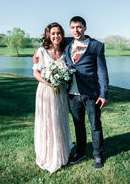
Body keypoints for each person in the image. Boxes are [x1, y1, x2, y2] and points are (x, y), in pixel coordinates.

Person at [35, 16, 109, 169]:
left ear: (85, 28)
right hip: (71, 94)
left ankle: (98, 156)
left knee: (95, 125)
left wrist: (103, 94)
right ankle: (81, 152)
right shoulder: (67, 43)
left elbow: (102, 72)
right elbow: (53, 39)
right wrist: (37, 53)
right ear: (70, 30)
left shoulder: (96, 46)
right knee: (78, 125)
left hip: (91, 94)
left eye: (79, 27)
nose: (76, 30)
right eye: (73, 27)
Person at [33, 22, 73, 173]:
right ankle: (47, 154)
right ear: (48, 35)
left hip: (60, 91)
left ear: (62, 35)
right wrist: (49, 83)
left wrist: (61, 80)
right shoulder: (42, 51)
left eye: (59, 33)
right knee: (47, 121)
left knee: (59, 120)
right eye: (53, 33)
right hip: (45, 91)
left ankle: (61, 153)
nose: (56, 36)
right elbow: (36, 73)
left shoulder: (65, 51)